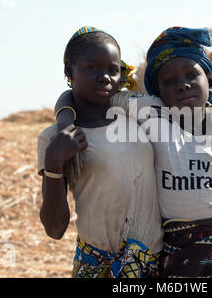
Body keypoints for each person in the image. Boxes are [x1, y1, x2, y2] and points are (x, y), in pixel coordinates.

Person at [55, 26, 212, 278]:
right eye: (170, 81)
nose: (183, 85)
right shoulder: (150, 114)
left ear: (210, 81)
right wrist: (64, 124)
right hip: (179, 254)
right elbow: (71, 94)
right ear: (157, 92)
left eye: (192, 74)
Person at [37, 26, 163, 278]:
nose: (104, 76)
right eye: (92, 67)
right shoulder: (54, 138)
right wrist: (53, 163)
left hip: (153, 266)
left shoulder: (134, 116)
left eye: (112, 70)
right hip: (97, 267)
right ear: (69, 71)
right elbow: (54, 228)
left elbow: (182, 109)